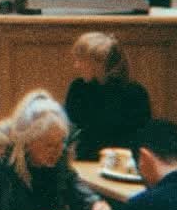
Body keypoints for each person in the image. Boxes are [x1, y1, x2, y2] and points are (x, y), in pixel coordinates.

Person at [64, 32, 151, 162]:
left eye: (80, 60)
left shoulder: (135, 93)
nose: (76, 66)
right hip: (86, 161)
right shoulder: (78, 88)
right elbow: (70, 129)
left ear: (98, 63)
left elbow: (141, 138)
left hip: (123, 162)